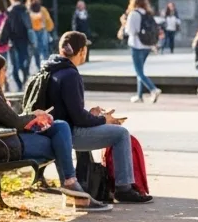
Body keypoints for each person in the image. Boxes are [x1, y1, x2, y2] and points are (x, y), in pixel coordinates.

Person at [0, 52, 103, 208]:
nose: (5, 75)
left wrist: (34, 117)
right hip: (3, 146)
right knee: (60, 143)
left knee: (60, 126)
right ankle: (72, 185)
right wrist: (34, 116)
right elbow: (15, 122)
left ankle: (71, 186)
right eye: (3, 70)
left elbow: (10, 120)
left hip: (5, 140)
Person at [38, 31, 153, 203]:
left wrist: (91, 114)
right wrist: (104, 120)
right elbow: (79, 120)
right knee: (120, 134)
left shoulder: (52, 69)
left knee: (115, 130)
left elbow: (70, 111)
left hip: (54, 131)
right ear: (82, 51)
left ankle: (113, 185)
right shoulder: (70, 74)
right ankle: (124, 189)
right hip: (68, 133)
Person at [124, 0, 162, 103]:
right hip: (147, 45)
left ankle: (153, 89)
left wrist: (125, 24)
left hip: (137, 45)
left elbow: (131, 31)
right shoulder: (147, 13)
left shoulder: (134, 14)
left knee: (139, 72)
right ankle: (139, 96)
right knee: (140, 71)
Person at [0, 0, 32, 90]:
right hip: (25, 40)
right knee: (24, 62)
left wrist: (2, 40)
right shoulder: (25, 10)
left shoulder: (10, 11)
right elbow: (29, 25)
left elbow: (6, 27)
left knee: (14, 66)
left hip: (13, 41)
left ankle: (19, 86)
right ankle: (25, 80)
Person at [27, 0, 56, 71]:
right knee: (36, 50)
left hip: (43, 30)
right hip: (33, 32)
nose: (34, 1)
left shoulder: (42, 9)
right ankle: (38, 67)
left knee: (44, 48)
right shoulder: (28, 11)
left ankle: (46, 66)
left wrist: (48, 27)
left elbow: (48, 20)